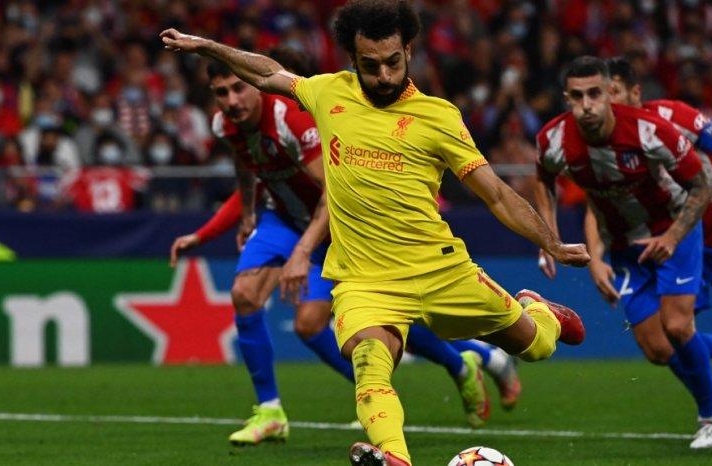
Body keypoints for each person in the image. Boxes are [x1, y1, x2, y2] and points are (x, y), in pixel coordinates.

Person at [161, 1, 590, 464]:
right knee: (369, 359)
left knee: (536, 347)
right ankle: (395, 457)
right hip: (366, 280)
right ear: (352, 59)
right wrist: (208, 46)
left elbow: (498, 195)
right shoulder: (330, 93)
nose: (384, 76)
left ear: (409, 51)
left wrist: (550, 241)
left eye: (393, 62)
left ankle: (539, 311)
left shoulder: (438, 116)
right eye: (370, 65)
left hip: (441, 271)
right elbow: (267, 74)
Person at [168, 57, 497, 448]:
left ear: (258, 86)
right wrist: (243, 215)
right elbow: (247, 167)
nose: (231, 100)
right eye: (221, 93)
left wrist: (301, 254)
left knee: (352, 320)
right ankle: (271, 412)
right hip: (283, 219)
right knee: (245, 295)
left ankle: (458, 364)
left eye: (239, 88)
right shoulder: (225, 125)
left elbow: (331, 194)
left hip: (336, 225)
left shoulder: (290, 121)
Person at [534, 56, 712, 449]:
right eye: (577, 96)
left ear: (610, 93)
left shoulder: (649, 131)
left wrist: (673, 237)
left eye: (594, 94)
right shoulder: (553, 139)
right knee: (657, 349)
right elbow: (543, 180)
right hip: (624, 243)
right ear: (566, 99)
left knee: (677, 326)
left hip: (672, 228)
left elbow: (702, 186)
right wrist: (548, 239)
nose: (586, 105)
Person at [593, 56, 712, 377]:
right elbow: (598, 202)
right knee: (662, 344)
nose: (607, 102)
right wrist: (595, 255)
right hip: (674, 241)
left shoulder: (672, 116)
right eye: (602, 94)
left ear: (635, 92)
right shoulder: (605, 143)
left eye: (613, 91)